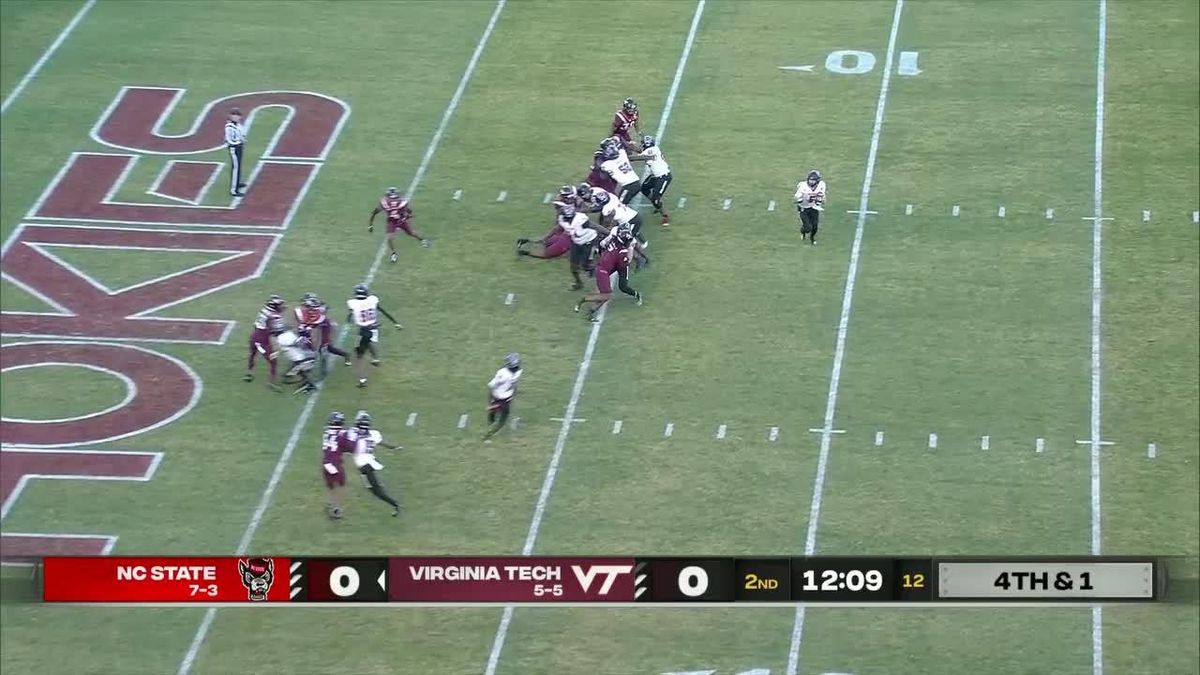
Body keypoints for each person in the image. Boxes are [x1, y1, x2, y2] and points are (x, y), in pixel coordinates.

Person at [574, 225, 643, 321]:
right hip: (605, 270)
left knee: (605, 295)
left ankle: (590, 313)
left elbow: (603, 245)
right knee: (607, 295)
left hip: (604, 266)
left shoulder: (614, 239)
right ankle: (584, 299)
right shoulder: (622, 251)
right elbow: (626, 263)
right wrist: (630, 251)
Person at [345, 411, 403, 516]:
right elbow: (382, 443)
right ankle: (393, 502)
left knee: (376, 491)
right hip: (369, 463)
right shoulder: (373, 434)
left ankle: (395, 504)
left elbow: (347, 444)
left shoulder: (352, 433)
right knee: (372, 489)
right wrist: (394, 447)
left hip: (365, 466)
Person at [346, 283, 402, 388]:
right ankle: (376, 359)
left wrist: (349, 319)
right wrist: (395, 322)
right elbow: (383, 311)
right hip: (374, 328)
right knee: (369, 342)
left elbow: (349, 316)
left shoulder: (353, 303)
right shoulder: (372, 300)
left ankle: (362, 381)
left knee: (359, 357)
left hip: (364, 331)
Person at [369, 187, 429, 263]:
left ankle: (423, 240)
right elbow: (409, 211)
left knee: (411, 233)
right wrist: (408, 215)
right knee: (390, 237)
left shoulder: (386, 203)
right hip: (392, 221)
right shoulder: (400, 202)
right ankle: (393, 254)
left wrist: (370, 225)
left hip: (400, 220)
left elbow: (374, 213)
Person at [630, 135, 672, 225]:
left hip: (663, 177)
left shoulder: (649, 151)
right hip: (656, 176)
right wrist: (631, 147)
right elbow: (642, 152)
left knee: (656, 199)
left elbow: (640, 157)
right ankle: (656, 205)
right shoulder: (654, 149)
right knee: (644, 188)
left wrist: (625, 158)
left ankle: (665, 215)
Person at [483, 353, 522, 443]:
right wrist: (490, 400)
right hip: (498, 397)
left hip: (506, 397)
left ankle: (491, 423)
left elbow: (514, 384)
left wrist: (513, 393)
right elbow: (492, 385)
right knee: (499, 418)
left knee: (501, 417)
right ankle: (488, 434)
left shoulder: (517, 372)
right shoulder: (502, 373)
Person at [794, 169, 827, 245]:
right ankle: (803, 231)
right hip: (804, 208)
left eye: (813, 180)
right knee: (808, 228)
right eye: (810, 180)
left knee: (815, 227)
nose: (811, 182)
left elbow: (822, 196)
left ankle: (812, 238)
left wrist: (821, 200)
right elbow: (796, 198)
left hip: (814, 207)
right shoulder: (803, 186)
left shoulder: (821, 185)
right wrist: (799, 199)